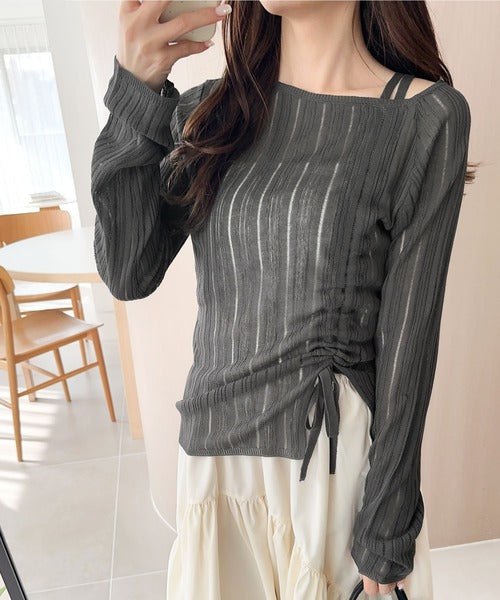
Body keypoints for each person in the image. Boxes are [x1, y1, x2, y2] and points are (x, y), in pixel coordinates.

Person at [91, 1, 474, 598]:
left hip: (326, 475)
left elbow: (410, 340)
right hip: (215, 465)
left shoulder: (423, 117)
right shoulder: (211, 112)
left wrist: (388, 525)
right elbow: (127, 272)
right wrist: (135, 95)